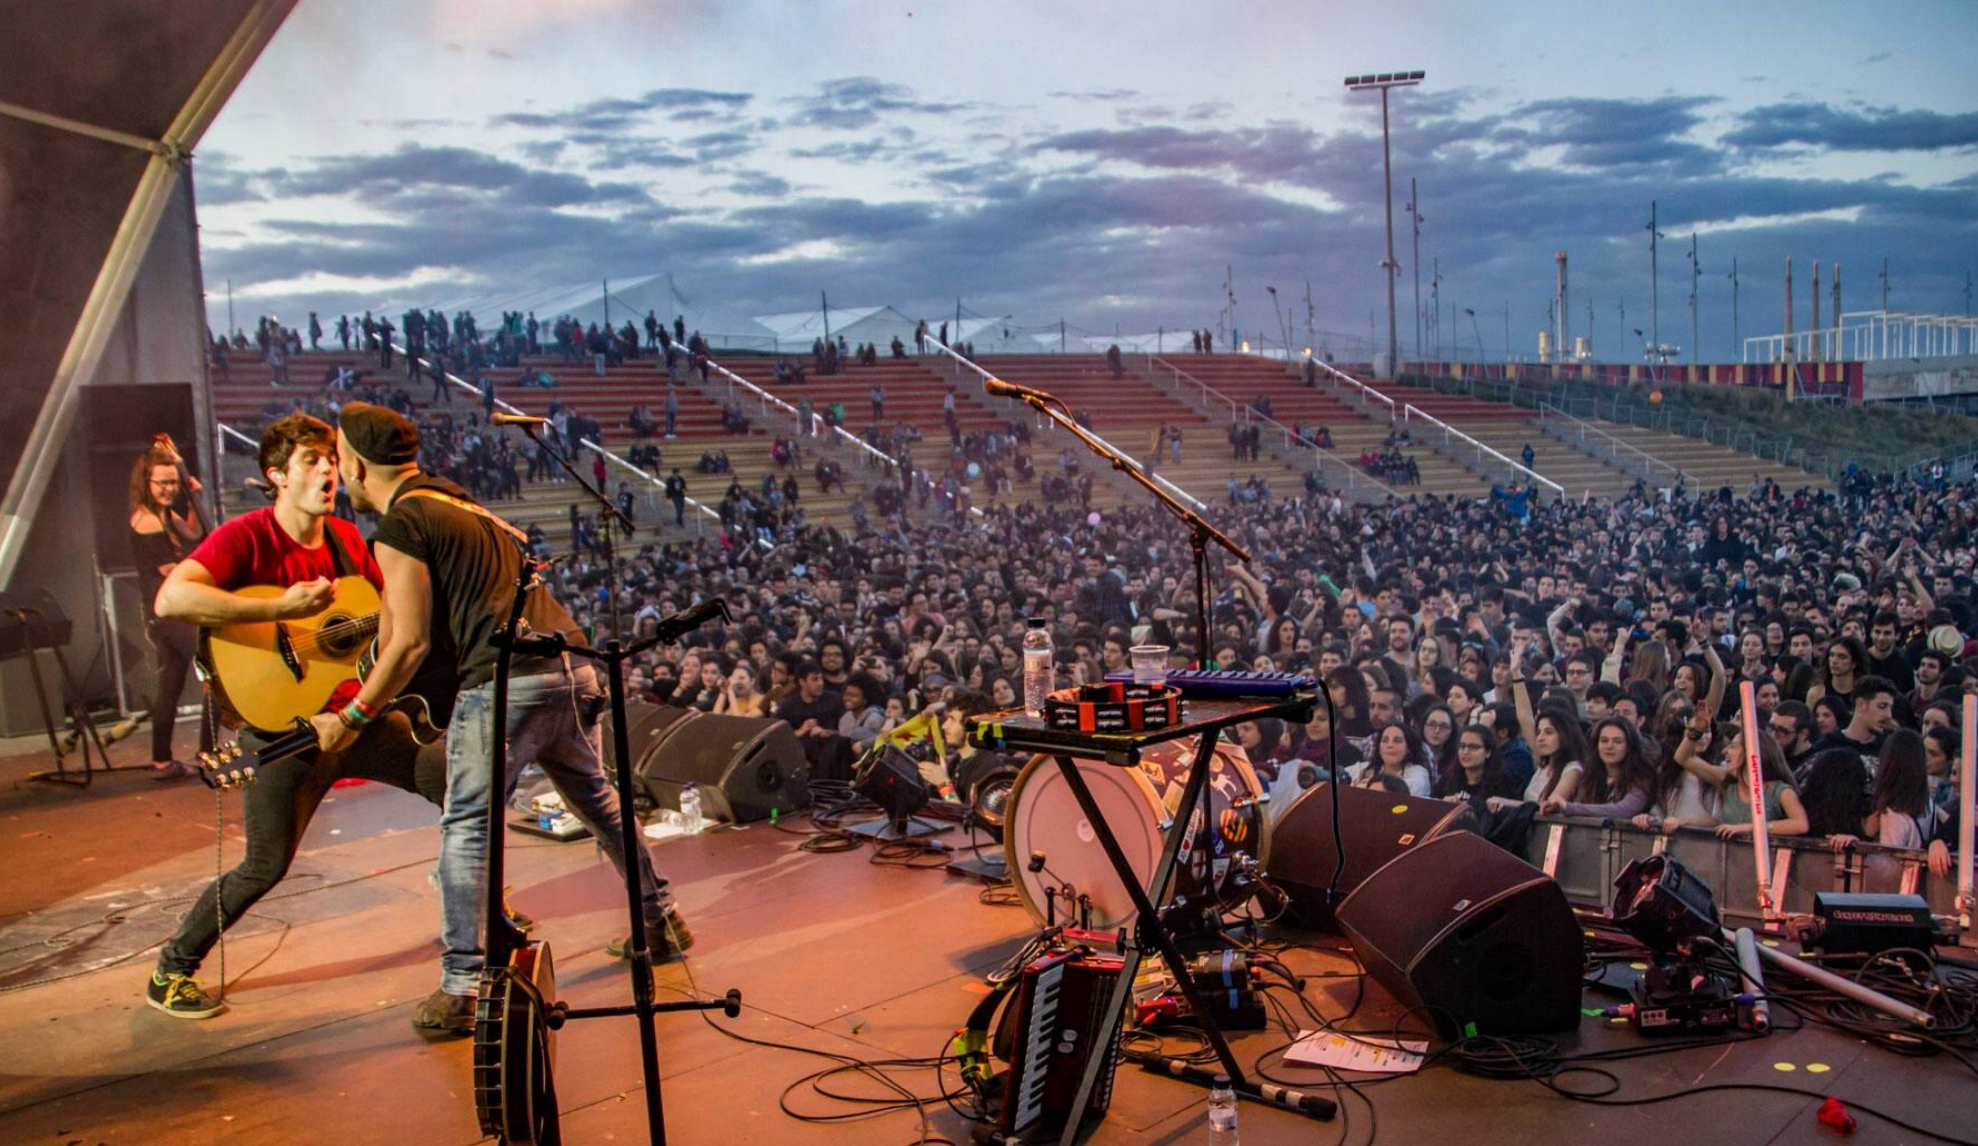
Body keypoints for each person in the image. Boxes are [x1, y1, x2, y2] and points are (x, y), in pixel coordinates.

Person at [328, 402, 688, 1034]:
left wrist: (354, 714)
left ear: (356, 463)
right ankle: (661, 922)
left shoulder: (405, 521)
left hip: (506, 684)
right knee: (598, 801)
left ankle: (463, 985)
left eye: (338, 460)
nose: (339, 475)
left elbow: (409, 642)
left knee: (468, 823)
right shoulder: (469, 508)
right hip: (570, 667)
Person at [144, 415, 446, 1019]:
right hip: (284, 731)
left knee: (455, 782)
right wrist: (282, 606)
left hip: (353, 723)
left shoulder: (345, 540)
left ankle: (478, 908)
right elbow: (172, 598)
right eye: (311, 460)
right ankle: (172, 969)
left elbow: (383, 621)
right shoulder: (246, 536)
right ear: (276, 476)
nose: (329, 469)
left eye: (331, 458)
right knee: (264, 867)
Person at [127, 441, 213, 780]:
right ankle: (208, 752)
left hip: (166, 615)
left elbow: (194, 532)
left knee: (171, 684)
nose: (168, 489)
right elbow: (171, 571)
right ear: (146, 483)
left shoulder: (165, 514)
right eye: (162, 482)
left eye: (173, 482)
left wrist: (195, 496)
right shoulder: (147, 520)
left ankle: (162, 761)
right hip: (165, 616)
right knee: (216, 666)